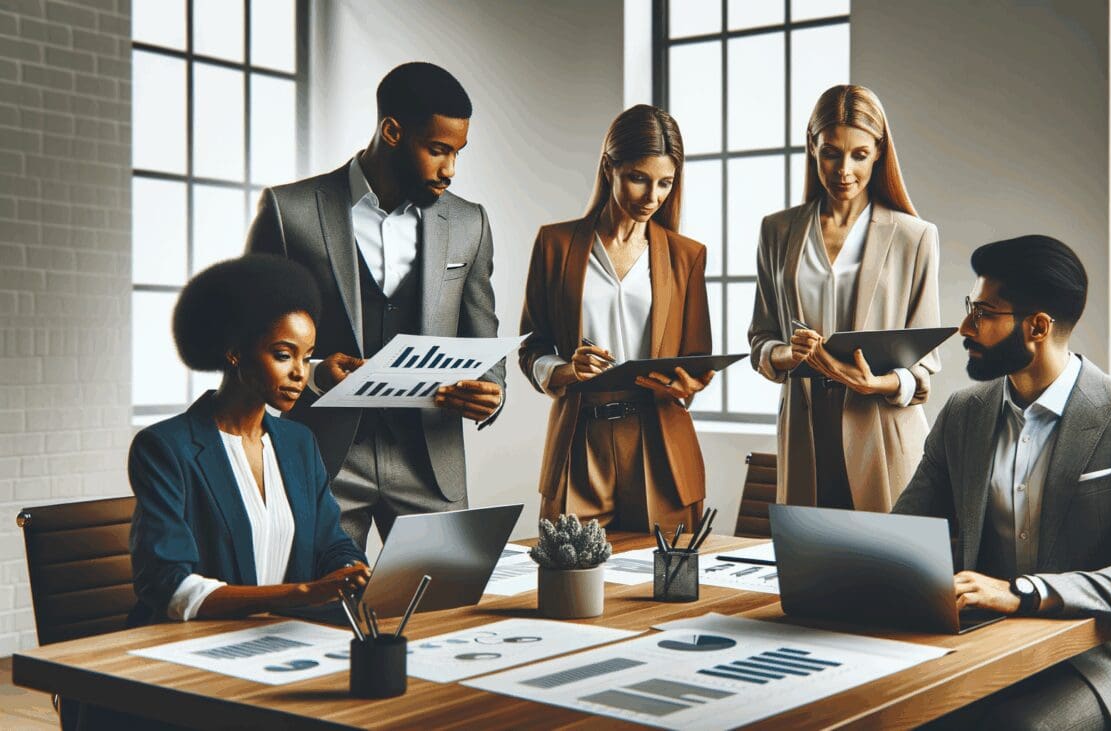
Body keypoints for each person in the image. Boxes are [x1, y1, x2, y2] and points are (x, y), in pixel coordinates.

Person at [895, 236, 1111, 730]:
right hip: (987, 645)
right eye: (971, 308)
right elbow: (906, 530)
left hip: (1105, 659)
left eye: (983, 313)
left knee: (1015, 727)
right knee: (901, 715)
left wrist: (1023, 593)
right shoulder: (963, 414)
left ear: (1037, 326)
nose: (965, 327)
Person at [245, 62, 504, 549]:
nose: (449, 170)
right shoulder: (289, 211)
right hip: (324, 462)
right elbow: (248, 335)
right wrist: (315, 374)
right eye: (437, 150)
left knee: (443, 595)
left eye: (457, 153)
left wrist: (492, 389)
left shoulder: (470, 222)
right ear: (392, 131)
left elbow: (482, 334)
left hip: (431, 462)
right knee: (322, 597)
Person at [129, 255, 369, 627]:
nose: (299, 373)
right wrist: (301, 593)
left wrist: (351, 571)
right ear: (235, 351)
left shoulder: (299, 442)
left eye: (306, 357)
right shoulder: (165, 447)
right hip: (193, 641)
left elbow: (331, 543)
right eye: (283, 355)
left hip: (284, 636)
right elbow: (168, 585)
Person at [518, 105, 714, 532]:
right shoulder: (555, 245)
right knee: (571, 569)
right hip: (579, 440)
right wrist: (566, 369)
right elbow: (530, 348)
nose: (652, 197)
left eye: (665, 183)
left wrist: (689, 385)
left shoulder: (687, 256)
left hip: (661, 440)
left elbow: (697, 360)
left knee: (663, 571)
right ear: (609, 168)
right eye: (638, 178)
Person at [748, 84, 941, 512]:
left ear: (879, 152)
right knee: (809, 551)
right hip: (804, 431)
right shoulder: (776, 231)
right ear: (812, 148)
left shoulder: (915, 237)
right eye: (831, 153)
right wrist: (786, 354)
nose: (844, 170)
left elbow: (924, 362)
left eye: (860, 154)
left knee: (886, 553)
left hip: (882, 429)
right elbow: (761, 338)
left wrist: (878, 383)